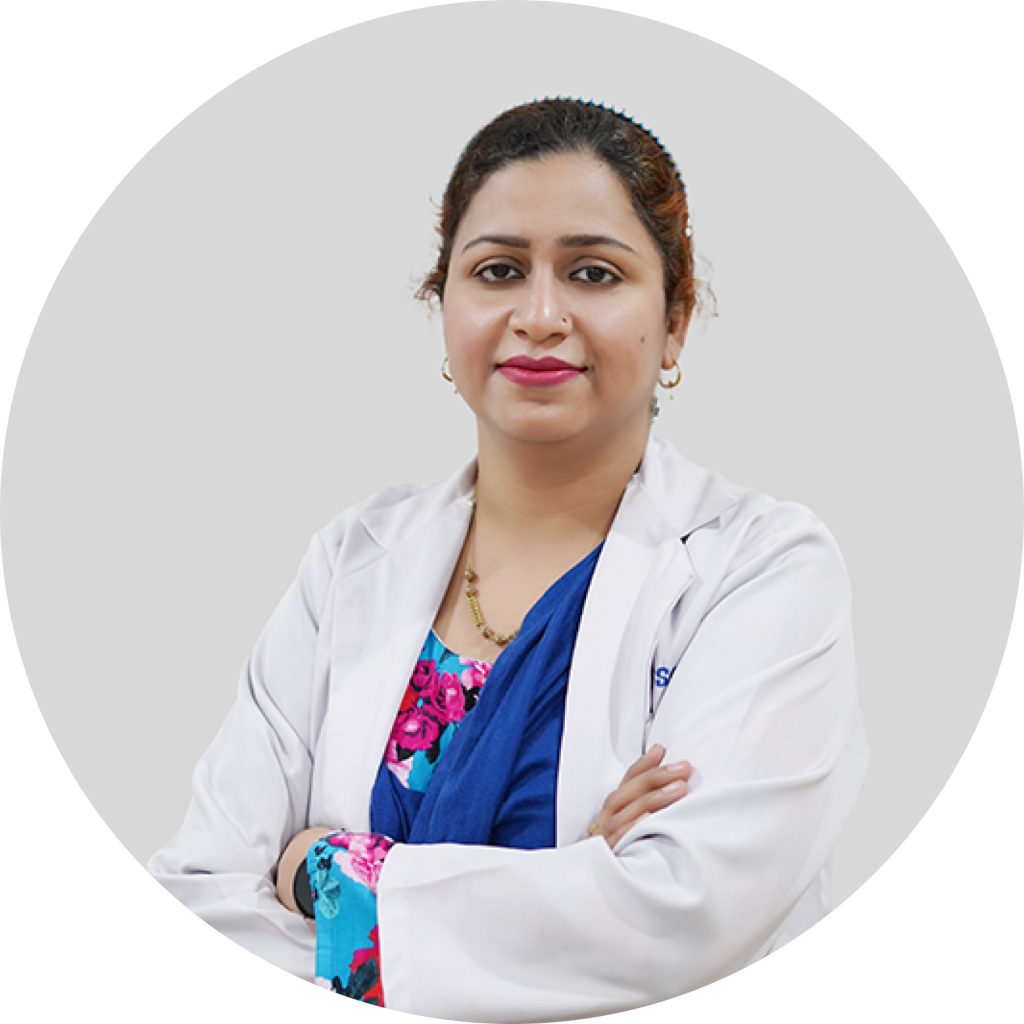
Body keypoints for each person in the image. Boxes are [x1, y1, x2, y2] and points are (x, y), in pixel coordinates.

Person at [148, 98, 869, 1019]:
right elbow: (203, 887)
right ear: (444, 303)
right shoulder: (351, 562)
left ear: (677, 317)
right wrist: (574, 880)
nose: (540, 315)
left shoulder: (763, 571)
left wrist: (320, 869)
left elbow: (678, 921)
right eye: (498, 270)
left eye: (594, 273)